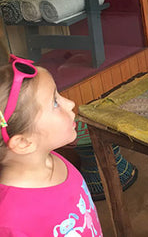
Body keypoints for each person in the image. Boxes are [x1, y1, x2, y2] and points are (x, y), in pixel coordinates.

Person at [0, 55, 103, 236]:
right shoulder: (11, 221)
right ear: (23, 142)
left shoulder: (53, 158)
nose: (70, 103)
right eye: (55, 103)